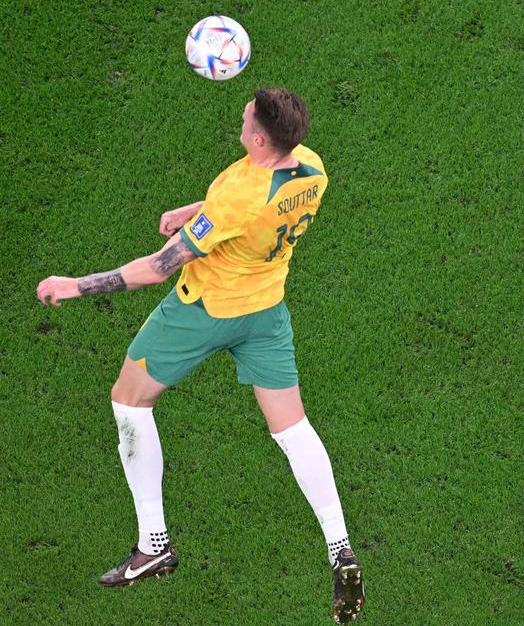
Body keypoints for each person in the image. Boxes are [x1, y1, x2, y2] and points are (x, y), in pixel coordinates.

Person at [36, 88, 364, 623]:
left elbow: (161, 267)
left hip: (203, 310)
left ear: (259, 138)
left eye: (245, 120)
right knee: (293, 429)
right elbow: (243, 214)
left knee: (130, 403)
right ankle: (341, 548)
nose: (239, 120)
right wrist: (194, 213)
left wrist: (77, 285)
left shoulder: (241, 195)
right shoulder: (311, 167)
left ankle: (154, 544)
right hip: (267, 311)